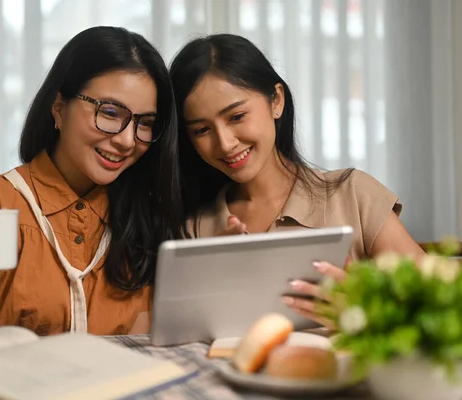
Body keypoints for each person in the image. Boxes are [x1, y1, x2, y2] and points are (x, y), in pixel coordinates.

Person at [0, 26, 183, 341]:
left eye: (144, 123)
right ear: (59, 107)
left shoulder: (144, 217)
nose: (127, 140)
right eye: (109, 112)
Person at [169, 33, 425, 327]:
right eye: (201, 130)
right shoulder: (194, 230)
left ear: (276, 101)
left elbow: (441, 305)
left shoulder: (353, 195)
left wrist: (363, 310)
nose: (225, 143)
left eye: (237, 116)